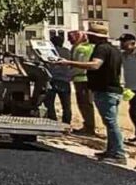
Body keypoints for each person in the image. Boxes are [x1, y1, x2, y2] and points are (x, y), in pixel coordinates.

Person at [55, 20, 126, 164]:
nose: (89, 38)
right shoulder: (114, 50)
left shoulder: (101, 49)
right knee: (109, 122)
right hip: (112, 89)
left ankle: (119, 154)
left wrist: (68, 63)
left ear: (96, 36)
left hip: (106, 90)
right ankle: (111, 151)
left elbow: (95, 65)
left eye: (90, 35)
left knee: (111, 123)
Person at [68, 29, 97, 136]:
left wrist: (69, 75)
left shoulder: (82, 49)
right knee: (85, 104)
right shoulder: (87, 47)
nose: (69, 40)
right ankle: (88, 125)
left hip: (82, 79)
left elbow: (79, 65)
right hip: (83, 79)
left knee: (85, 104)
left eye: (71, 37)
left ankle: (89, 127)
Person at [42, 31, 74, 124]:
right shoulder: (67, 51)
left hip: (52, 79)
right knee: (66, 105)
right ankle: (66, 123)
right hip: (65, 80)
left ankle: (53, 121)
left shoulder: (49, 52)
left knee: (49, 103)